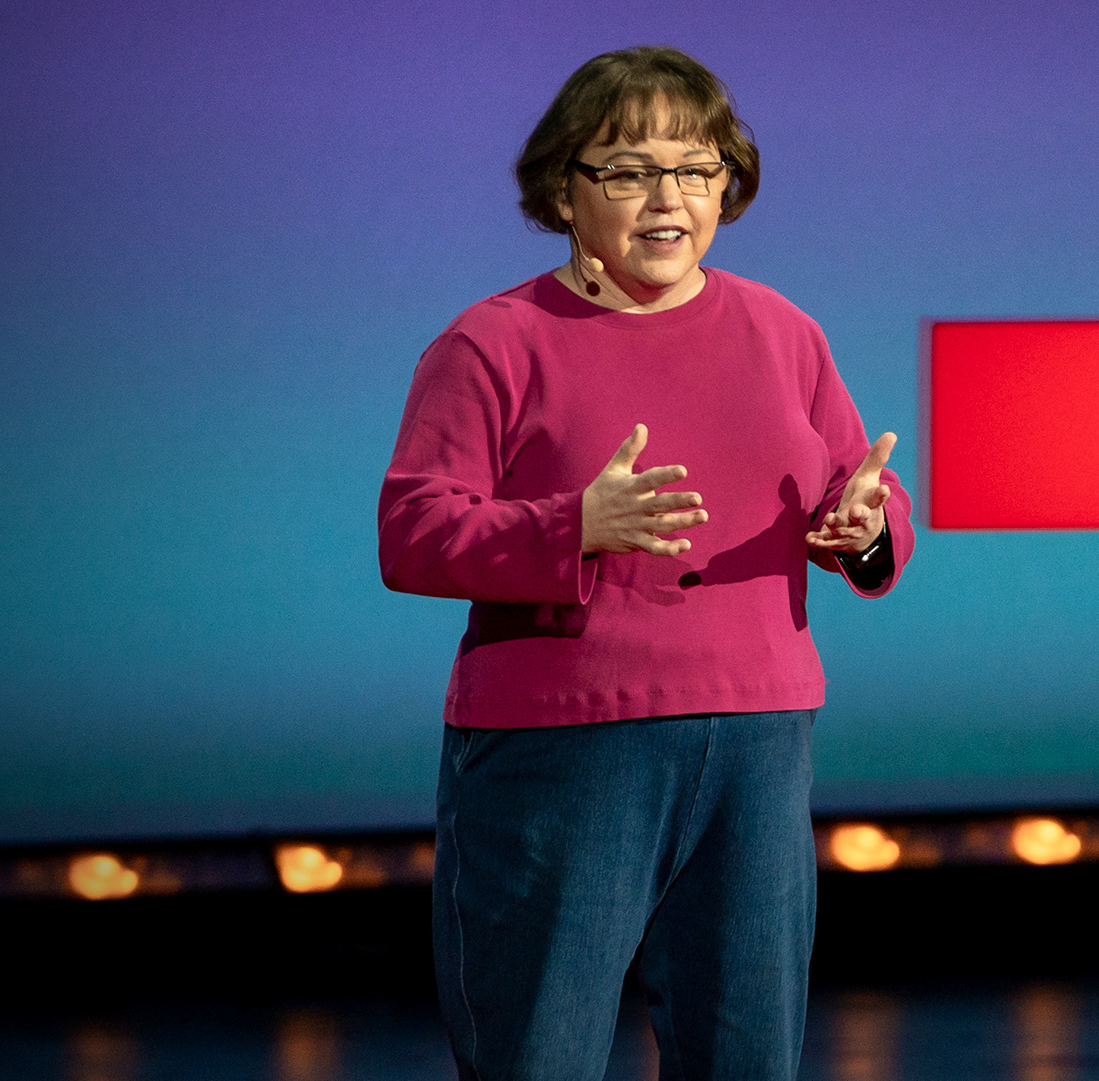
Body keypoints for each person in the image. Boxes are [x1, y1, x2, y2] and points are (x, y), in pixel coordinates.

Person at [377, 45, 914, 1081]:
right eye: (627, 170)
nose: (667, 198)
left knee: (745, 1056)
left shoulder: (781, 330)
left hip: (756, 740)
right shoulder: (494, 343)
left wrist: (866, 523)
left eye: (695, 168)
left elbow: (862, 482)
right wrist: (569, 524)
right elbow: (412, 530)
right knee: (540, 1055)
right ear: (564, 192)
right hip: (566, 748)